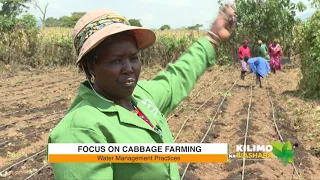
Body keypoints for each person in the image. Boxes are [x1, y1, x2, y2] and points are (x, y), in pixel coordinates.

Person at [47, 6, 236, 180]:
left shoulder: (141, 97)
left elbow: (176, 78)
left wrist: (213, 37)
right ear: (91, 66)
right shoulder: (79, 131)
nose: (129, 68)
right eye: (116, 60)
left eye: (134, 57)